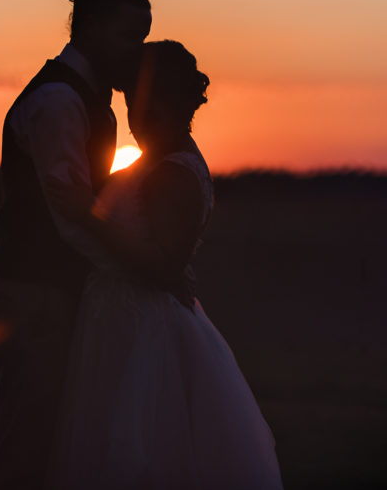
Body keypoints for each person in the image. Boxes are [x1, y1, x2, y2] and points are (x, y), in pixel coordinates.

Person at [45, 41, 283, 489]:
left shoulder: (171, 171)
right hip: (119, 321)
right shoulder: (158, 160)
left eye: (135, 101)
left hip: (144, 332)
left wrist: (86, 217)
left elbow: (162, 268)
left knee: (142, 453)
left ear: (159, 103)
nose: (131, 114)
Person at [0, 0, 153, 490]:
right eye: (130, 37)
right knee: (29, 451)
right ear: (92, 27)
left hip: (54, 294)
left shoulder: (87, 99)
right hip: (35, 297)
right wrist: (140, 267)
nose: (137, 54)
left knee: (59, 448)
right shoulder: (59, 101)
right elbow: (70, 219)